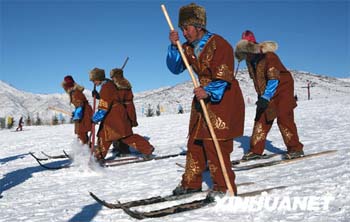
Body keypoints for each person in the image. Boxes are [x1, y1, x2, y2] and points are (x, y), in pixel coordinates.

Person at [166, 3, 245, 195]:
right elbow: (175, 68)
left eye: (187, 28)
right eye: (182, 29)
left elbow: (224, 74)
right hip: (201, 98)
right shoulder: (187, 47)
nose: (184, 33)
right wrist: (173, 46)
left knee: (214, 142)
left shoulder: (219, 43)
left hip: (223, 97)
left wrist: (209, 91)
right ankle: (191, 183)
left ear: (199, 26)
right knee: (195, 142)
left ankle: (223, 187)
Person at [234, 30, 304, 160]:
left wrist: (266, 96)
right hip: (266, 92)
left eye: (247, 50)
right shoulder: (249, 61)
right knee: (261, 118)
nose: (246, 54)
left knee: (284, 118)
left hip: (283, 89)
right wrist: (262, 96)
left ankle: (295, 148)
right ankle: (256, 151)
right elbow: (258, 80)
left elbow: (273, 78)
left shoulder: (269, 56)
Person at [89, 67, 154, 161]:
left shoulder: (106, 87)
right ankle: (98, 156)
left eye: (94, 80)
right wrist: (99, 96)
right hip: (115, 116)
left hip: (114, 117)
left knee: (122, 137)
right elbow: (110, 98)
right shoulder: (109, 85)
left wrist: (95, 118)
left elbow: (104, 107)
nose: (93, 83)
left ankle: (147, 149)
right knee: (108, 135)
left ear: (99, 78)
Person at [109, 68, 138, 156]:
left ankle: (124, 149)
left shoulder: (121, 86)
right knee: (117, 130)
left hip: (124, 109)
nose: (112, 79)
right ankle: (118, 147)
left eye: (113, 77)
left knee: (124, 131)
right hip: (121, 110)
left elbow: (116, 99)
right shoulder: (119, 85)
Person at [62, 75, 93, 144]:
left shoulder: (76, 93)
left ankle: (86, 148)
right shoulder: (73, 92)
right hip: (83, 112)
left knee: (81, 131)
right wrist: (75, 112)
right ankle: (85, 147)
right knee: (81, 132)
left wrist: (77, 113)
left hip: (85, 113)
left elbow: (80, 104)